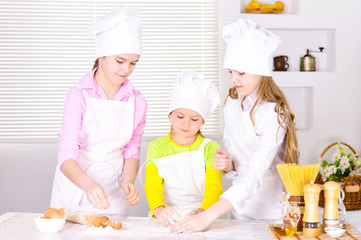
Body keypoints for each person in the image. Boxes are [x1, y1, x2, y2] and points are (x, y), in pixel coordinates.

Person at [171, 18, 300, 233]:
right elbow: (234, 154)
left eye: (241, 73)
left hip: (272, 210)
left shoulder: (275, 114)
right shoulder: (232, 103)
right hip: (238, 207)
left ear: (261, 71)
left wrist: (210, 213)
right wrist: (228, 164)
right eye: (230, 71)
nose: (233, 79)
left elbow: (256, 172)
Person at [50, 7, 147, 216]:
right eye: (119, 61)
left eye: (133, 63)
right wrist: (88, 185)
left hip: (113, 191)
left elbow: (132, 148)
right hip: (74, 188)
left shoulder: (137, 101)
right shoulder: (79, 95)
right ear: (102, 55)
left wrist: (129, 180)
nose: (126, 70)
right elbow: (67, 155)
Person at [144, 70, 223, 226]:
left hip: (202, 215)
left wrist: (203, 212)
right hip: (166, 215)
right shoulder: (157, 146)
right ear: (170, 115)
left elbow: (214, 185)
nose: (186, 123)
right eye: (180, 116)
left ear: (202, 121)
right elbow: (152, 183)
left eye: (194, 119)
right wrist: (158, 209)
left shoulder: (210, 147)